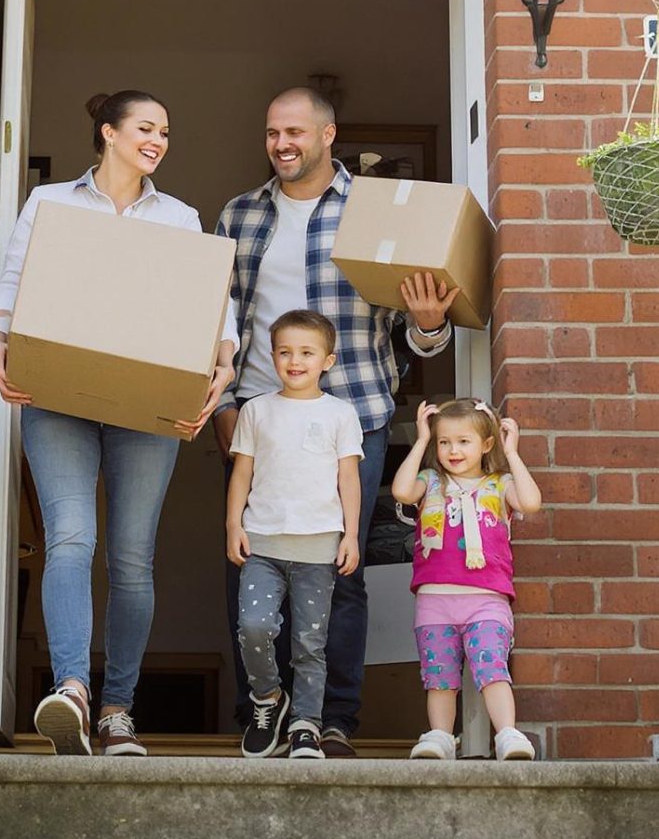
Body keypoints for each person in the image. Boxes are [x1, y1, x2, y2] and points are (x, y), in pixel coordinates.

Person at [0, 89, 237, 758]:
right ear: (108, 133)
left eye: (165, 131)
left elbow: (211, 305)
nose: (157, 140)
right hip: (57, 393)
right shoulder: (53, 203)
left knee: (131, 559)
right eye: (145, 128)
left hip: (146, 400)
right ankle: (71, 688)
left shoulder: (180, 216)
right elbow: (11, 289)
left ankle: (119, 710)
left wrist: (223, 366)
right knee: (70, 537)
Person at [211, 86, 460, 757]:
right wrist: (224, 410)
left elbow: (418, 328)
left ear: (328, 135)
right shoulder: (238, 216)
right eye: (272, 132)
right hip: (257, 420)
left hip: (352, 415)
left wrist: (431, 326)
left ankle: (332, 717)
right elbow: (216, 323)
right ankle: (262, 707)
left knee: (340, 568)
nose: (282, 143)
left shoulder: (373, 212)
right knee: (250, 564)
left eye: (294, 131)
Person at [224, 309, 364, 759]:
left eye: (306, 352)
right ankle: (268, 699)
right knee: (254, 627)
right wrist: (233, 524)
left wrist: (351, 535)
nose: (295, 360)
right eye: (285, 352)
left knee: (309, 644)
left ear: (328, 360)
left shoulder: (341, 413)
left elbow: (349, 480)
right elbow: (241, 472)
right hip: (262, 543)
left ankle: (307, 723)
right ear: (272, 357)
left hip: (318, 547)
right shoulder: (256, 410)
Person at [389, 398, 545, 761]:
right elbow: (400, 490)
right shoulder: (429, 482)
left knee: (492, 666)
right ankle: (441, 736)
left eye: (463, 441)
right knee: (439, 676)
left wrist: (512, 454)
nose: (453, 450)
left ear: (486, 444)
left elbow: (531, 502)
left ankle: (507, 733)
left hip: (486, 598)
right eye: (444, 442)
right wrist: (420, 441)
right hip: (435, 598)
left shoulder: (499, 484)